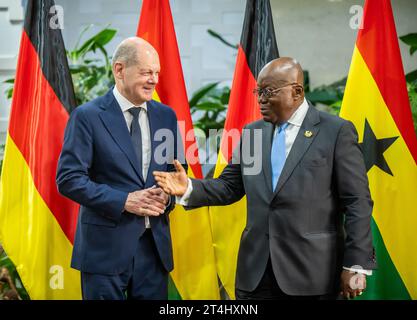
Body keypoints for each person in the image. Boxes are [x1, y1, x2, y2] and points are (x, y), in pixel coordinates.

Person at [154, 57, 377, 300]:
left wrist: (355, 264)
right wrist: (188, 188)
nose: (260, 99)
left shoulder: (336, 131)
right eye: (258, 91)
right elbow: (229, 186)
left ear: (297, 91)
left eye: (268, 91)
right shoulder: (252, 133)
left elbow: (357, 202)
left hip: (313, 275)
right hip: (256, 274)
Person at [56, 37, 185, 300]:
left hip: (154, 249)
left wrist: (168, 195)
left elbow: (174, 173)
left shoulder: (166, 116)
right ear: (119, 70)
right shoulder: (87, 117)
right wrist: (124, 200)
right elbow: (68, 179)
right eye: (146, 72)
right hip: (104, 251)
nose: (154, 80)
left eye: (157, 73)